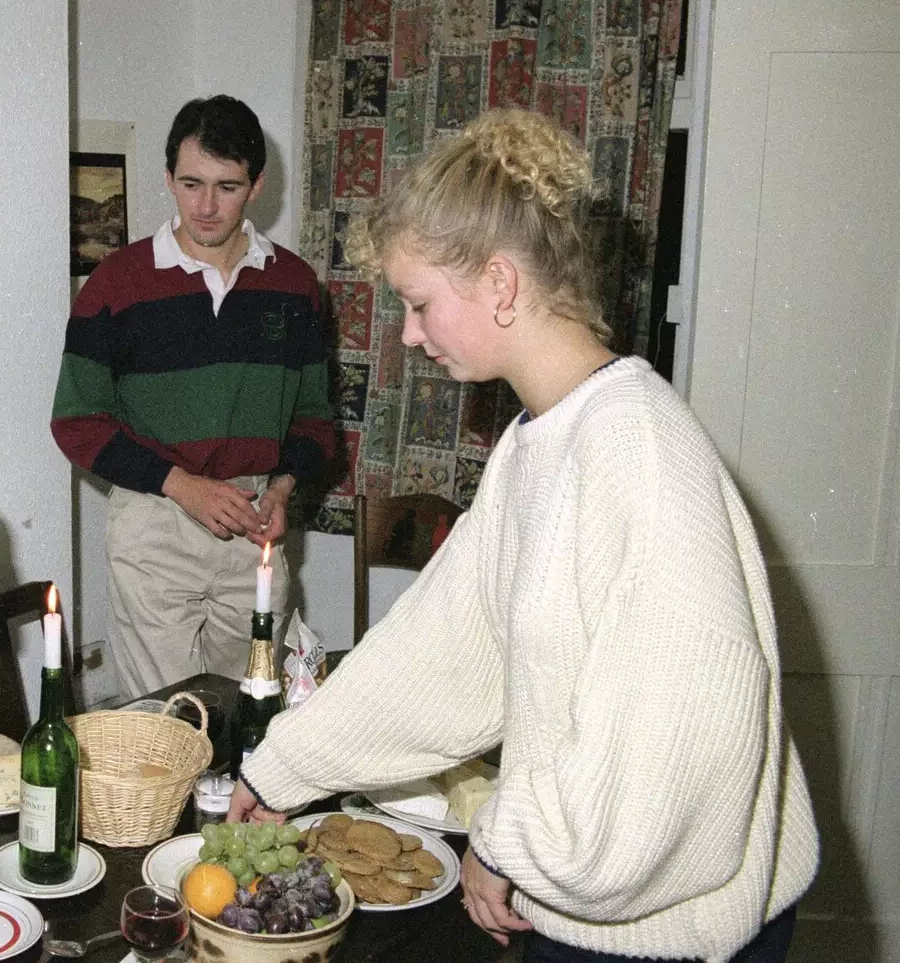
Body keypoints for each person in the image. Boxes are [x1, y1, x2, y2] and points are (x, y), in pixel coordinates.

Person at [227, 109, 818, 963]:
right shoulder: (538, 440)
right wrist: (279, 768)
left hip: (672, 927)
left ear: (500, 284)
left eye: (420, 302)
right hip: (587, 895)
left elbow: (678, 737)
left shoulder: (638, 448)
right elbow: (445, 645)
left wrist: (508, 844)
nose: (411, 333)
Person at [51, 95, 333, 696]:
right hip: (156, 522)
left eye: (227, 187)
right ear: (167, 179)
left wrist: (283, 488)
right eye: (191, 183)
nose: (205, 206)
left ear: (256, 185)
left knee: (250, 710)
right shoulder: (115, 284)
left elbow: (314, 417)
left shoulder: (294, 285)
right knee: (168, 722)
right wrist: (182, 485)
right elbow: (77, 422)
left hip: (255, 523)